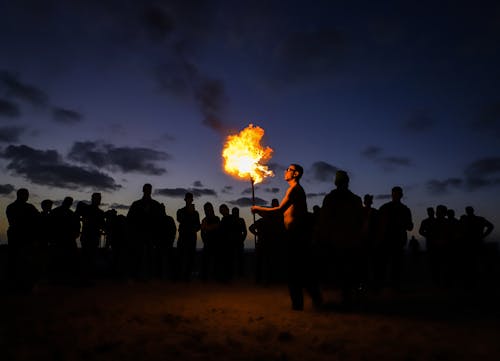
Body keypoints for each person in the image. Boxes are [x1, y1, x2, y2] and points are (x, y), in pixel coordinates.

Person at [252, 164, 322, 311]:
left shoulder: (295, 190)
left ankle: (302, 304)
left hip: (297, 236)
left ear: (295, 174)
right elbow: (281, 214)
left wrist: (259, 208)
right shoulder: (293, 190)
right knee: (298, 271)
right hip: (294, 236)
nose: (286, 171)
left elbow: (279, 210)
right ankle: (310, 301)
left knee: (296, 271)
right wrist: (262, 212)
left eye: (289, 169)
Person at [315, 170, 363, 307]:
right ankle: (344, 296)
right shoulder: (353, 199)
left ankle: (344, 297)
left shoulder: (332, 198)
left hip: (340, 240)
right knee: (344, 270)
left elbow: (324, 220)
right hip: (344, 240)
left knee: (341, 269)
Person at [374, 186, 413, 291]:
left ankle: (391, 287)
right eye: (394, 194)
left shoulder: (403, 209)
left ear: (400, 195)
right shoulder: (386, 208)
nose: (396, 196)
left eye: (397, 194)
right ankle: (383, 287)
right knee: (384, 265)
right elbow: (377, 224)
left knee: (394, 266)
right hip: (386, 241)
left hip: (396, 242)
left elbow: (410, 226)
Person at [5, 188, 40, 291]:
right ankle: (23, 285)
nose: (27, 196)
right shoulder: (29, 207)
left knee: (16, 261)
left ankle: (15, 284)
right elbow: (36, 220)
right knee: (24, 262)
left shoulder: (11, 207)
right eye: (26, 194)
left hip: (16, 237)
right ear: (21, 195)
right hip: (24, 238)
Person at [127, 183, 164, 280]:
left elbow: (160, 220)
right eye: (146, 189)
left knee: (150, 256)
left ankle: (149, 276)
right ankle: (136, 275)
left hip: (151, 235)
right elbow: (130, 219)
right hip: (139, 234)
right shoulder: (137, 204)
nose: (148, 191)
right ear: (143, 190)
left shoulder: (155, 205)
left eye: (149, 189)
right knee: (138, 255)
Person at [78, 193, 105, 281]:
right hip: (89, 237)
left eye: (99, 198)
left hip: (90, 237)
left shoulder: (87, 209)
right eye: (97, 198)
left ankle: (86, 278)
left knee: (88, 257)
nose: (98, 200)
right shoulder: (98, 212)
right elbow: (103, 226)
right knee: (88, 257)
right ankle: (86, 278)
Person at [176, 192, 201, 281]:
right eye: (188, 198)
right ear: (185, 200)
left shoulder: (196, 213)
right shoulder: (180, 211)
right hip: (183, 237)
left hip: (191, 238)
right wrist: (189, 213)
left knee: (190, 258)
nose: (189, 200)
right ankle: (178, 277)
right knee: (180, 257)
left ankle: (187, 278)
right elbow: (179, 219)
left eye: (190, 199)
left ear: (192, 200)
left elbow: (198, 226)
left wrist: (192, 228)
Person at [200, 202, 220, 281]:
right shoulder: (204, 219)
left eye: (208, 208)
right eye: (206, 209)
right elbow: (202, 231)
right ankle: (205, 278)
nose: (207, 210)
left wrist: (207, 227)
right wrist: (204, 240)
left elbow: (215, 227)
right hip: (207, 243)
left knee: (216, 262)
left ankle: (215, 276)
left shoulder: (217, 218)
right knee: (205, 261)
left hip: (216, 243)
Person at [232, 207, 247, 277]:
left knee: (240, 259)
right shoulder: (230, 220)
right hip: (232, 242)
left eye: (236, 212)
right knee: (233, 259)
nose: (235, 213)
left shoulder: (241, 220)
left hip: (239, 242)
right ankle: (234, 273)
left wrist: (242, 240)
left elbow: (245, 232)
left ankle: (241, 273)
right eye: (234, 212)